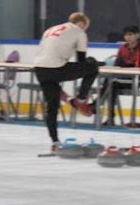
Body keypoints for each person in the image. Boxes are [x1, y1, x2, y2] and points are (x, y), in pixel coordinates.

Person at [33, 12, 98, 152]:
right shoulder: (79, 32)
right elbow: (81, 61)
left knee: (52, 107)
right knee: (92, 69)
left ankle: (55, 141)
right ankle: (81, 99)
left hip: (39, 70)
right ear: (82, 24)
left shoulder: (51, 29)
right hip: (56, 68)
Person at [90, 25, 140, 126]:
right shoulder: (123, 48)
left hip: (136, 79)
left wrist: (131, 69)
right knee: (111, 83)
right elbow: (117, 65)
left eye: (130, 35)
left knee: (112, 83)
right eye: (126, 35)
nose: (128, 37)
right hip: (121, 78)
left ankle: (97, 105)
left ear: (137, 35)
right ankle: (109, 117)